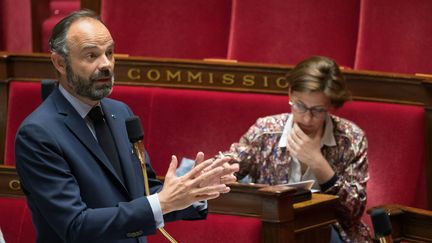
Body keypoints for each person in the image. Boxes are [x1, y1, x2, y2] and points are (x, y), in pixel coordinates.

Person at [15, 10, 238, 243]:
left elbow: (143, 193)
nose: (106, 64)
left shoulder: (120, 113)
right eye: (91, 56)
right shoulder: (38, 134)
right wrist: (162, 202)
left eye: (109, 53)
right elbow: (75, 225)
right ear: (60, 63)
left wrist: (192, 191)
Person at [221, 56, 372, 242]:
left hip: (331, 233)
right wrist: (215, 172)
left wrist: (318, 163)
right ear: (290, 94)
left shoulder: (351, 139)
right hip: (274, 230)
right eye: (300, 106)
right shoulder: (266, 131)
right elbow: (232, 163)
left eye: (318, 110)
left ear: (330, 105)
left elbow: (354, 210)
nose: (307, 119)